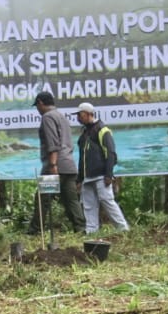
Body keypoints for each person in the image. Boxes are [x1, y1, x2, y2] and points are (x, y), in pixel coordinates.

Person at [28, 92, 85, 234]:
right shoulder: (62, 117)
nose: (37, 109)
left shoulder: (47, 117)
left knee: (42, 199)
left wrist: (53, 165)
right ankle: (81, 228)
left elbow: (52, 143)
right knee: (71, 200)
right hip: (69, 165)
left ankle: (35, 230)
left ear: (40, 103)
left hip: (55, 165)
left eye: (37, 106)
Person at [74, 103, 129, 235]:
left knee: (107, 201)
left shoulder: (102, 130)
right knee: (88, 205)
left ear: (89, 114)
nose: (78, 118)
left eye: (80, 115)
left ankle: (123, 229)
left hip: (101, 176)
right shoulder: (84, 133)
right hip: (87, 177)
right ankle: (91, 231)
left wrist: (108, 175)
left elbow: (111, 153)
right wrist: (79, 179)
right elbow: (82, 158)